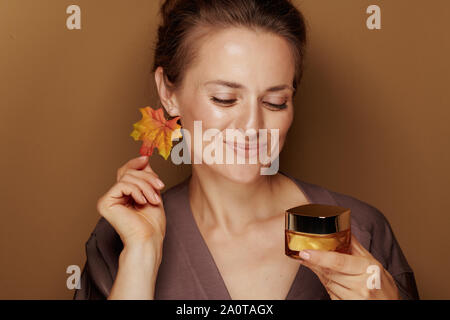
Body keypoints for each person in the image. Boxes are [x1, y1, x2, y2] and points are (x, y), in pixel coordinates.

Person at [74, 0, 419, 300]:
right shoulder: (121, 239)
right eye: (225, 99)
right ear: (169, 92)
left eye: (275, 101)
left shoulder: (363, 230)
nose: (253, 126)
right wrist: (141, 256)